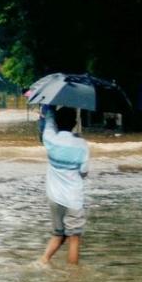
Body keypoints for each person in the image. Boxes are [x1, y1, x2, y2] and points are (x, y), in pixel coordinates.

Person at [39, 106, 89, 265]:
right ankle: (72, 275)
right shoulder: (81, 144)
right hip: (73, 198)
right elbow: (84, 172)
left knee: (58, 234)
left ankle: (42, 261)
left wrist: (50, 108)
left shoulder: (50, 139)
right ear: (75, 123)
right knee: (74, 238)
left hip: (54, 196)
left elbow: (48, 120)